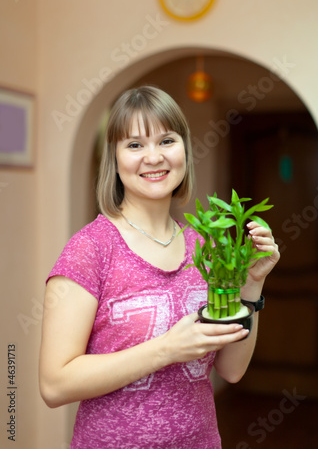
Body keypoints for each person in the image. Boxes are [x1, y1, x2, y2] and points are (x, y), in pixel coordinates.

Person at [39, 85, 280, 448]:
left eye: (166, 140)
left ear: (184, 150)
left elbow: (231, 369)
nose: (153, 157)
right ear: (115, 159)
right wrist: (167, 349)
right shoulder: (90, 249)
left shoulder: (204, 246)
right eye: (135, 145)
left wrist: (251, 285)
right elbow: (55, 384)